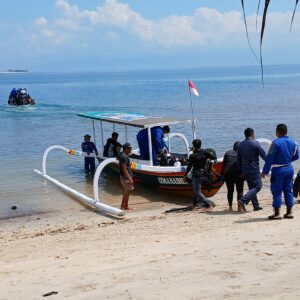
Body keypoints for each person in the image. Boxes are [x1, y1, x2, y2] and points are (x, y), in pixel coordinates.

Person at [261, 124, 299, 220]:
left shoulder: (275, 143)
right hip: (289, 168)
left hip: (278, 170)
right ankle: (289, 212)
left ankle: (277, 214)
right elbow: (297, 156)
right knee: (288, 190)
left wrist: (264, 171)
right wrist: (288, 159)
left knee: (277, 191)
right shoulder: (293, 142)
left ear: (277, 131)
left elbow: (269, 158)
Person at [237, 128, 266, 211]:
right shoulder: (255, 144)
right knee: (258, 186)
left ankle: (256, 206)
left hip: (244, 168)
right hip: (253, 167)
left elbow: (238, 160)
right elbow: (264, 155)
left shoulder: (241, 145)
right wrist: (270, 164)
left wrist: (240, 171)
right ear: (253, 134)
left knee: (251, 187)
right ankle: (243, 200)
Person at [183, 139, 216, 209]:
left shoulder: (192, 156)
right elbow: (213, 157)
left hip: (196, 175)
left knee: (197, 192)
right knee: (196, 190)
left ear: (194, 146)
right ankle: (194, 205)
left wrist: (185, 175)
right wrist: (204, 153)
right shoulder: (205, 152)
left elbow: (189, 166)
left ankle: (208, 205)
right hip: (203, 174)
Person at [222, 141, 244, 211]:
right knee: (240, 191)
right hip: (239, 174)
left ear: (233, 147)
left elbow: (224, 165)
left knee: (230, 191)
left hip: (229, 174)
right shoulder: (242, 153)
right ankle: (239, 207)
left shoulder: (228, 153)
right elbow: (244, 165)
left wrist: (222, 175)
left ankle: (230, 207)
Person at [119, 143, 134, 210]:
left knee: (127, 192)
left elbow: (117, 157)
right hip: (125, 178)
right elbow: (124, 168)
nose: (131, 149)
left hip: (124, 177)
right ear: (126, 149)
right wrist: (129, 178)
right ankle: (123, 207)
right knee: (126, 192)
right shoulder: (124, 157)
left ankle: (125, 206)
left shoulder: (122, 154)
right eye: (129, 148)